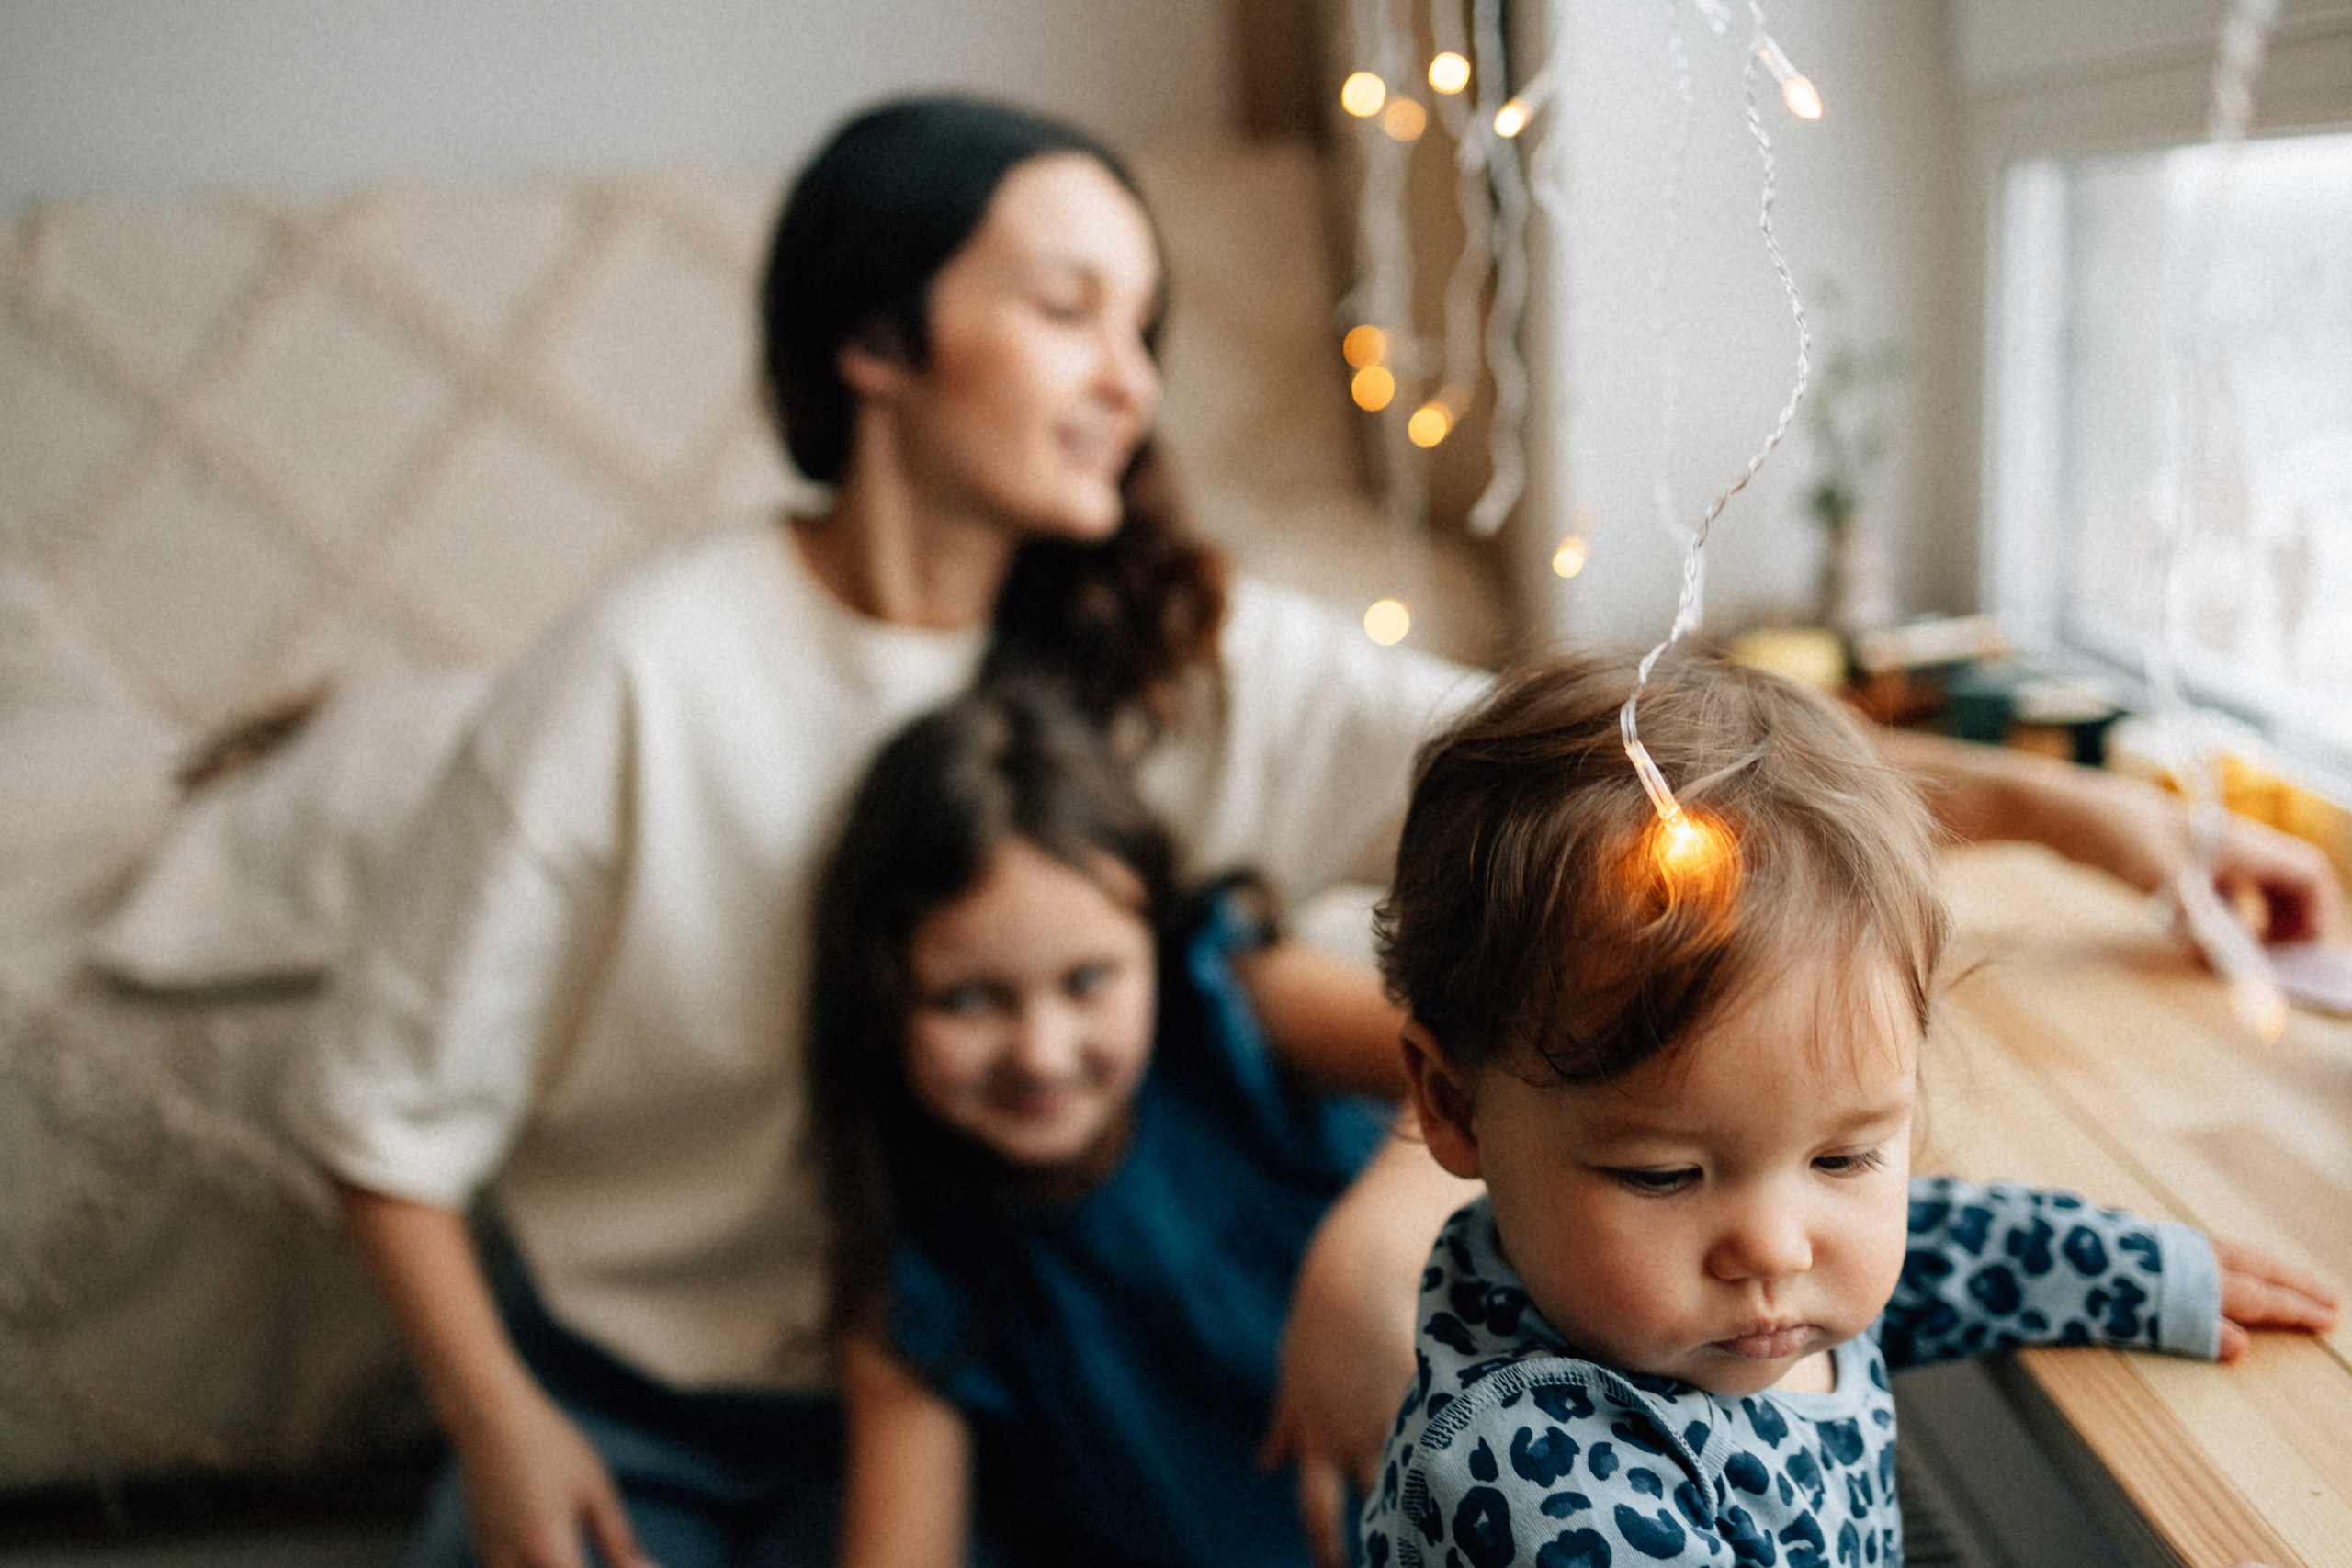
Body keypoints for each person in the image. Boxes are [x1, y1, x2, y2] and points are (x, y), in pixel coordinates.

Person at [286, 87, 2340, 1568]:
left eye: (1146, 328)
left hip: (1013, 1359)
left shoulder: (1165, 655)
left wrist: (2068, 809)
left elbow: (1645, 783)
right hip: (657, 1393)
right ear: (875, 338)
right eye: (1070, 310)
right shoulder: (632, 678)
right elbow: (381, 1118)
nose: (1131, 378)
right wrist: (504, 1415)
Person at [1361, 651, 2339, 1567]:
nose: (1778, 1249)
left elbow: (1943, 1253)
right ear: (1455, 1107)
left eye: (1843, 1158)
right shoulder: (1538, 1477)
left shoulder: (1655, 1286)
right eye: (1662, 1176)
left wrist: (2144, 1273)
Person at [811, 683, 1417, 1568]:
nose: (1041, 1054)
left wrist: (1368, 1254)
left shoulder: (1231, 1001)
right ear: (882, 997)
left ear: (1151, 944)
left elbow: (1493, 1070)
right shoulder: (917, 1275)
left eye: (1088, 980)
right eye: (968, 999)